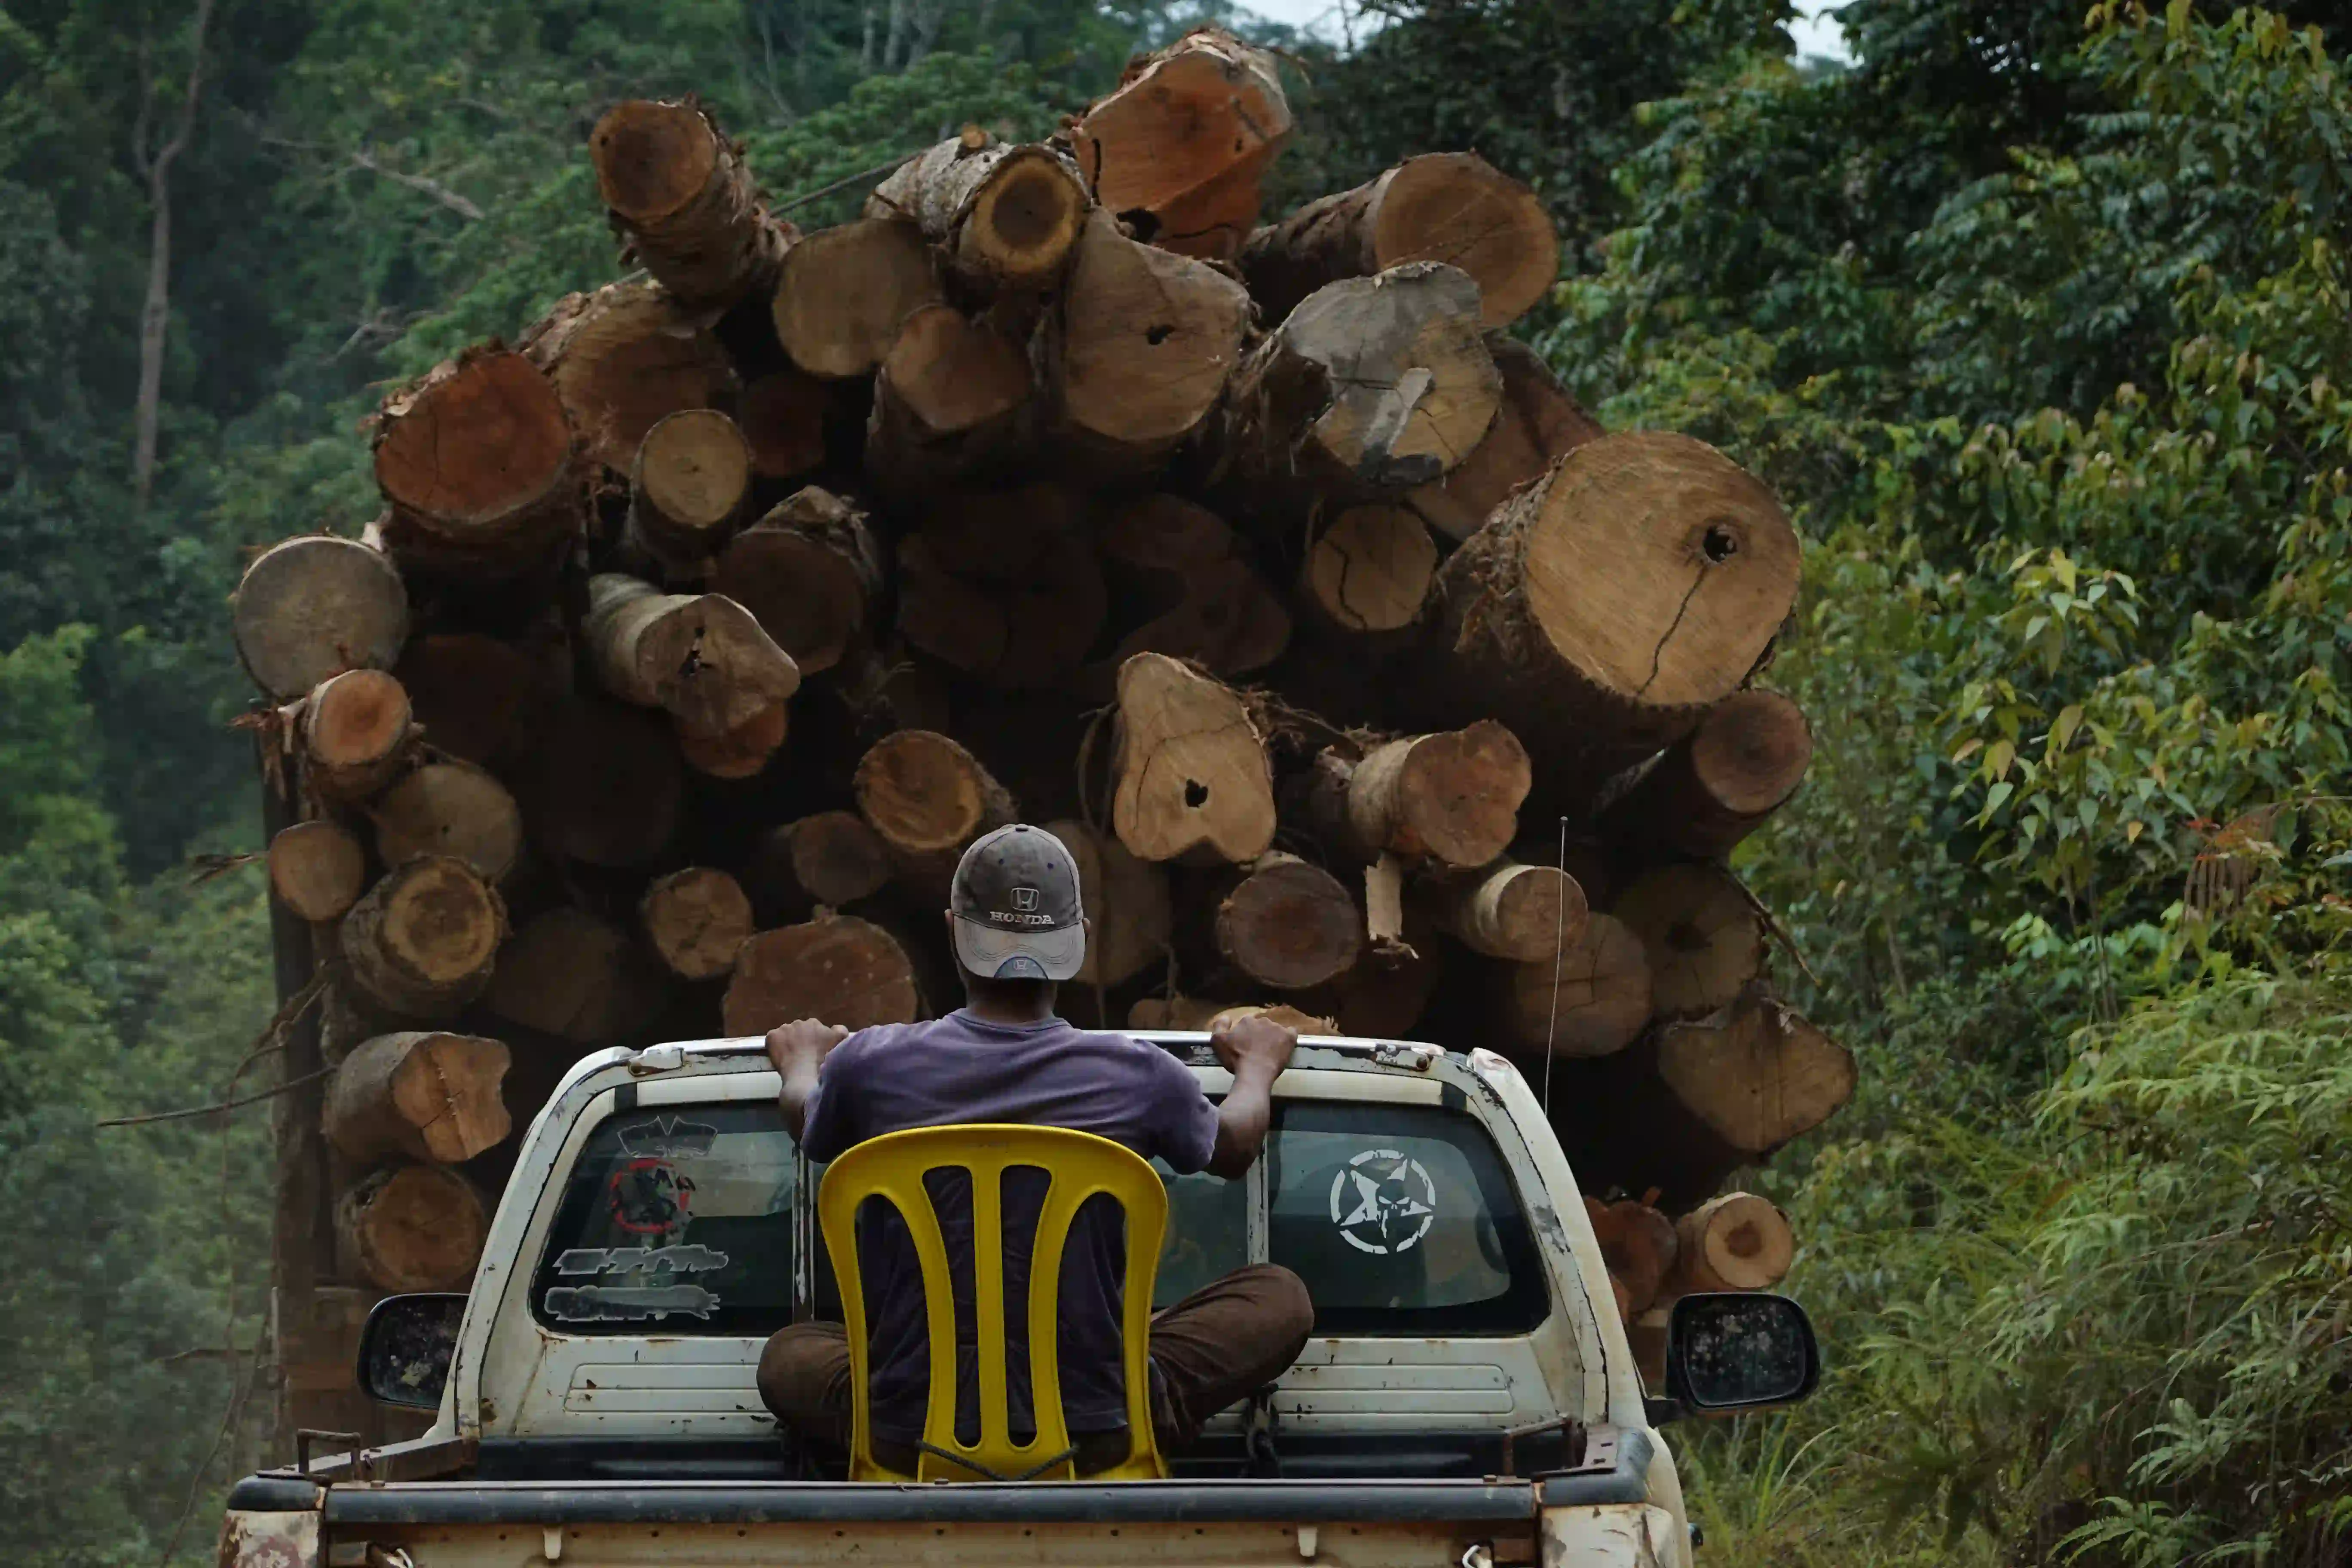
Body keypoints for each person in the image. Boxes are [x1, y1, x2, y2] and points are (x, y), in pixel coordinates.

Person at [756, 822, 1314, 1476]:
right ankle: (1137, 1407)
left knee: (789, 1356)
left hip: (908, 1433)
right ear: (1078, 940)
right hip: (1097, 1431)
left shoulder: (868, 1065)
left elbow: (806, 1120)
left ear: (953, 932)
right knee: (1279, 1297)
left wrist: (801, 1061)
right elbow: (1235, 1147)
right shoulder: (1138, 1073)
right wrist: (1257, 1067)